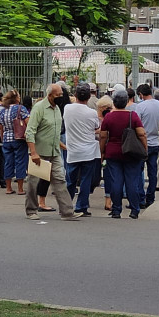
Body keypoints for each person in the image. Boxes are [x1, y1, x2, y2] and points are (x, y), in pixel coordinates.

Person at [24, 84, 83, 221]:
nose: (60, 97)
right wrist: (33, 152)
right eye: (58, 95)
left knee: (60, 180)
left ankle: (67, 212)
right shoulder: (39, 108)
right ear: (50, 95)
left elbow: (53, 131)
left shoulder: (57, 109)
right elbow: (30, 131)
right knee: (33, 182)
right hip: (39, 152)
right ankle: (31, 210)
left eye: (61, 95)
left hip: (54, 151)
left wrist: (60, 144)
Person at [99, 90, 147, 219]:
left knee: (116, 181)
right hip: (131, 153)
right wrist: (144, 149)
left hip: (113, 152)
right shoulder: (133, 116)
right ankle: (134, 210)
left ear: (114, 102)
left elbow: (103, 136)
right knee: (132, 181)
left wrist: (102, 151)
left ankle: (116, 210)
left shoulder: (108, 117)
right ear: (126, 102)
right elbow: (142, 134)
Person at [63, 83, 101, 217]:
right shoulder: (91, 112)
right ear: (88, 98)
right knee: (85, 180)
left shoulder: (67, 108)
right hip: (88, 151)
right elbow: (96, 127)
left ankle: (66, 206)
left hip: (72, 150)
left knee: (70, 181)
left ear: (76, 95)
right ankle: (81, 206)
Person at [134, 83, 159, 209]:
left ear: (141, 94)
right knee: (152, 172)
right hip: (155, 141)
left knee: (138, 171)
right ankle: (150, 198)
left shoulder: (140, 107)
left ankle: (141, 198)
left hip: (142, 142)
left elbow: (137, 125)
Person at [0, 90, 29, 195]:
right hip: (19, 138)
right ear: (16, 98)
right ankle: (20, 189)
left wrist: (3, 138)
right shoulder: (21, 109)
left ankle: (8, 187)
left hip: (7, 139)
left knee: (8, 162)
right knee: (20, 161)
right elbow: (28, 123)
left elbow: (0, 127)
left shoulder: (3, 110)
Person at [96, 95, 115, 211]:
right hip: (102, 149)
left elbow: (102, 134)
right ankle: (108, 200)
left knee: (107, 175)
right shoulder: (96, 117)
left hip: (102, 150)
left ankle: (108, 199)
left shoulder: (107, 118)